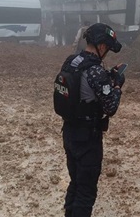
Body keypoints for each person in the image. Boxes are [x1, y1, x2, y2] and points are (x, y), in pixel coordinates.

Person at [59, 23, 125, 217]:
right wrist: (118, 86)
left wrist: (108, 77)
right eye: (108, 49)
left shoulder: (71, 61)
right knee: (86, 192)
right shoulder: (96, 71)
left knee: (75, 182)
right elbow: (110, 107)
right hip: (87, 138)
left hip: (69, 132)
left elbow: (83, 88)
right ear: (102, 46)